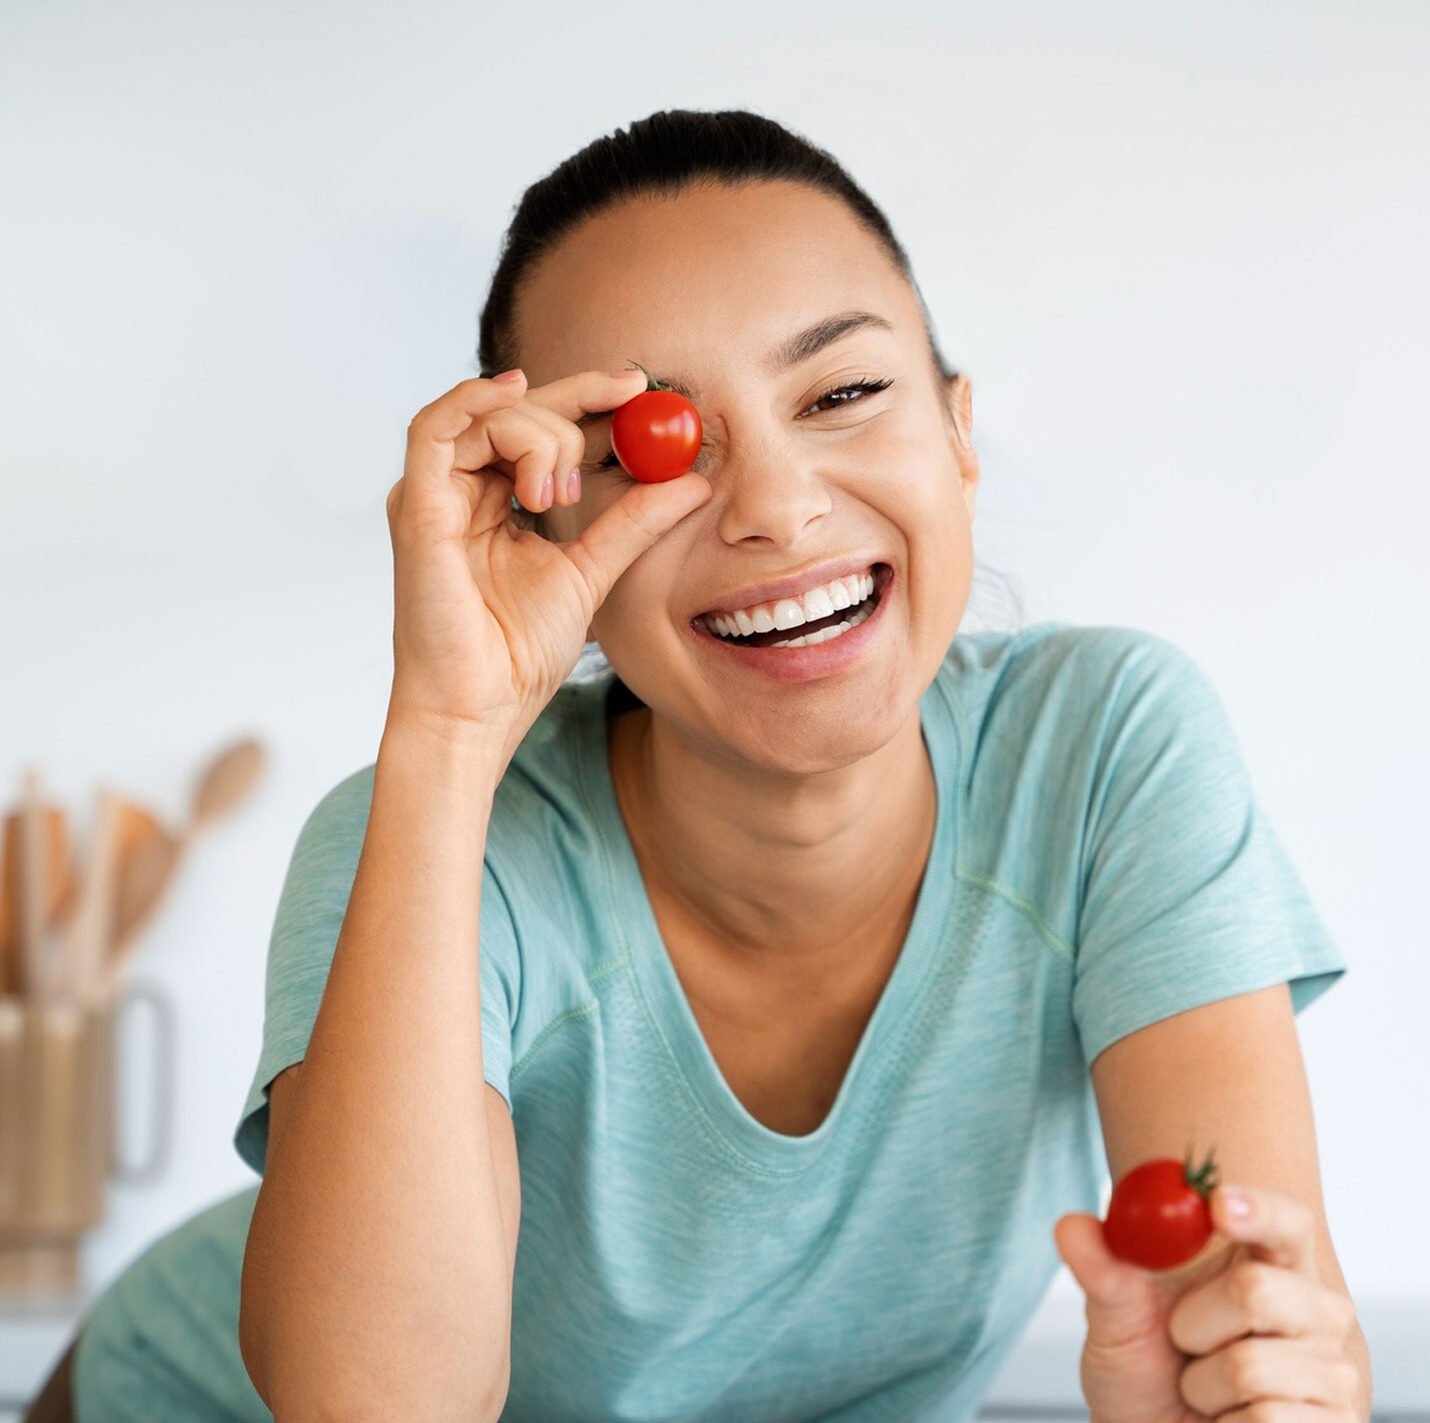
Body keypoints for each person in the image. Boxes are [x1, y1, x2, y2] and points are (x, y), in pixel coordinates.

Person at [41, 108, 1369, 1422]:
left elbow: (1252, 1322)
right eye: (656, 449)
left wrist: (1251, 1390)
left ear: (959, 436)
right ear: (540, 520)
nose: (777, 508)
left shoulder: (1102, 753)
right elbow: (374, 1409)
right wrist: (448, 733)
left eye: (842, 394)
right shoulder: (445, 837)